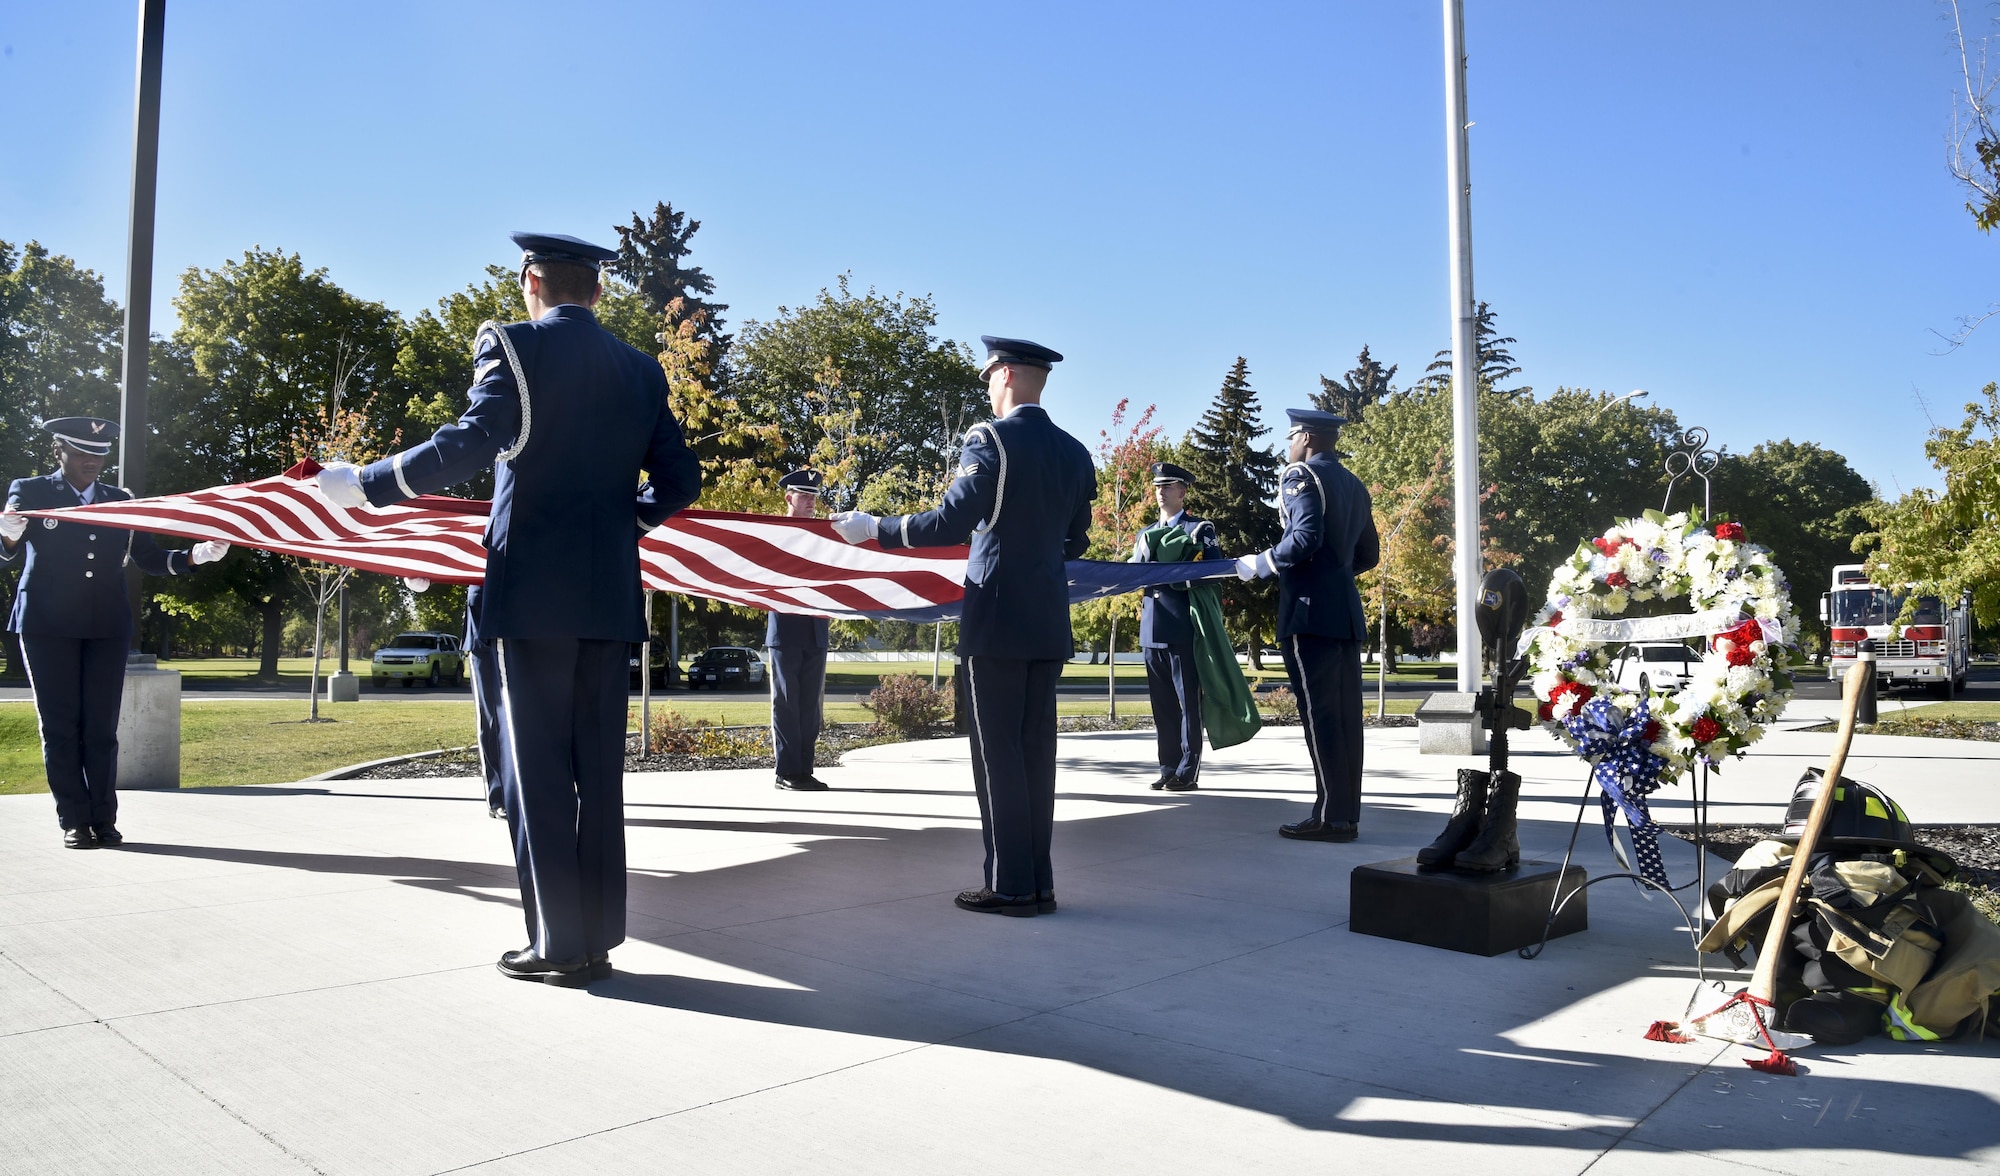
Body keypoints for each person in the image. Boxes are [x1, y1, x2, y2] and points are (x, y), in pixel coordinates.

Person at [316, 232, 701, 985]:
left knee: (539, 778)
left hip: (531, 595)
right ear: (596, 292)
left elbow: (473, 440)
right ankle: (596, 941)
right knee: (598, 774)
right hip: (608, 597)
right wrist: (628, 522)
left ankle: (559, 947)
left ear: (531, 281)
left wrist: (372, 481)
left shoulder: (512, 346)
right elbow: (679, 480)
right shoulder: (641, 369)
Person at [828, 337, 1094, 917]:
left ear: (1007, 375)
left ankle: (1009, 885)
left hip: (996, 617)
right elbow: (1077, 540)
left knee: (997, 756)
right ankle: (1038, 882)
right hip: (1047, 620)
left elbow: (951, 521)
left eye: (990, 374)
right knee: (1034, 756)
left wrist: (879, 527)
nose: (986, 384)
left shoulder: (990, 439)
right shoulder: (1076, 453)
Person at [0, 418, 229, 848]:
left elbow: (148, 557)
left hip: (105, 623)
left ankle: (104, 819)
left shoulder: (120, 500)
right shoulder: (31, 490)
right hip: (47, 624)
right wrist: (6, 537)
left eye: (100, 453)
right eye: (83, 452)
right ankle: (73, 819)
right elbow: (6, 551)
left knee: (102, 728)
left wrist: (196, 557)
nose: (93, 461)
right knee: (60, 726)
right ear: (58, 451)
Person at [1234, 408, 1379, 841]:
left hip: (1310, 611)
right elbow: (1367, 555)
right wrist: (1334, 575)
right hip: (1344, 611)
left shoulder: (1300, 475)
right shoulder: (1354, 484)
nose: (1289, 445)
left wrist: (1261, 563)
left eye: (1291, 437)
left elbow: (1304, 537)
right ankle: (1343, 813)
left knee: (1319, 715)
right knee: (1345, 718)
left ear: (1308, 438)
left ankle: (1330, 817)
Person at [1130, 461, 1224, 792]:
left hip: (1182, 625)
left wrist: (1181, 577)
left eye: (1167, 487)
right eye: (1157, 487)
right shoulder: (1144, 534)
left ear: (1183, 492)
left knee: (1188, 702)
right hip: (1152, 628)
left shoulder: (1199, 530)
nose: (1160, 492)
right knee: (1162, 705)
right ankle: (1167, 765)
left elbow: (1214, 572)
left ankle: (1189, 767)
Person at [767, 468, 832, 792]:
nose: (810, 502)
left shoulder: (824, 537)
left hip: (816, 629)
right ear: (788, 497)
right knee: (788, 702)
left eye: (814, 497)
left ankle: (804, 769)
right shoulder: (776, 534)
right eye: (804, 496)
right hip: (786, 629)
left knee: (809, 707)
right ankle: (787, 771)